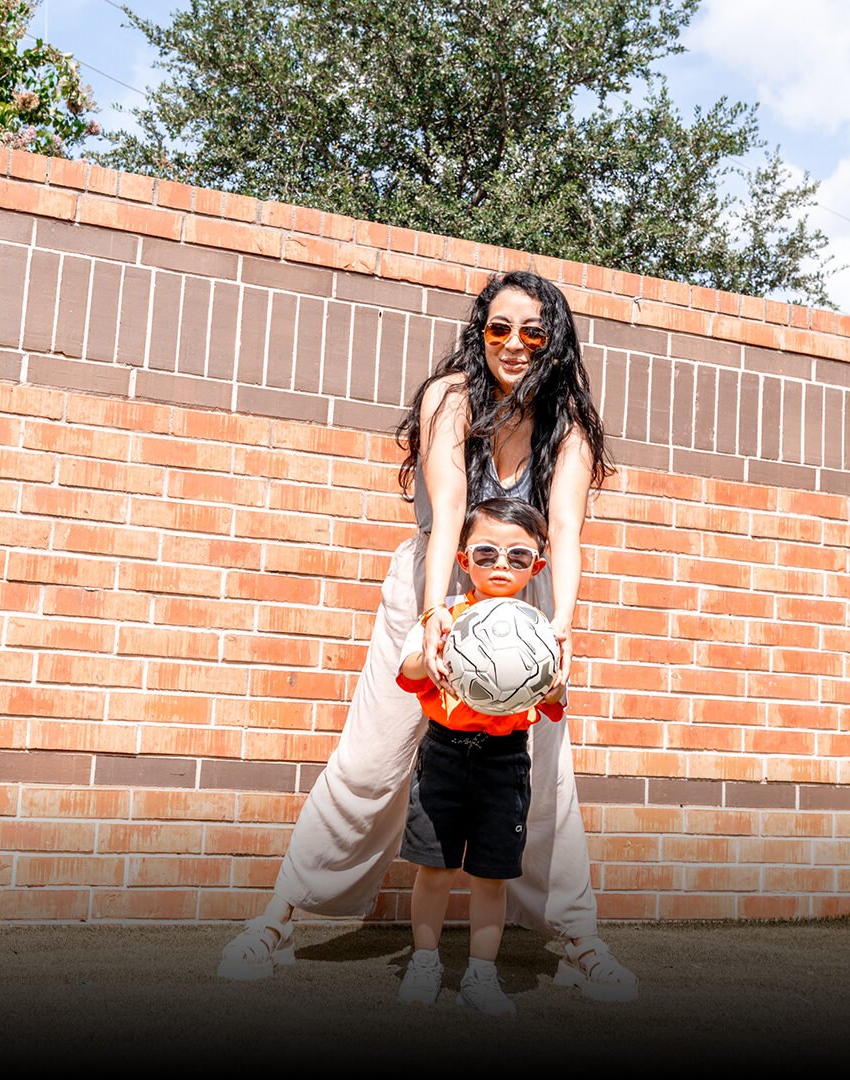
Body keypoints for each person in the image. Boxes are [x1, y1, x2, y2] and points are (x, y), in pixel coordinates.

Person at [218, 270, 638, 1002]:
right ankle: (277, 919)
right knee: (373, 760)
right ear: (482, 333)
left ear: (555, 340)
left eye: (533, 331)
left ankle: (577, 940)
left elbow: (566, 530)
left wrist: (561, 627)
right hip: (434, 586)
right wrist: (433, 614)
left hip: (520, 603)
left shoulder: (566, 419)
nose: (514, 344)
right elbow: (446, 513)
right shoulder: (450, 396)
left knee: (540, 779)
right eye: (499, 328)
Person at [395, 497, 565, 1016]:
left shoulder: (540, 631)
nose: (500, 566)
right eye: (486, 553)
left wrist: (555, 684)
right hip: (445, 754)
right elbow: (407, 672)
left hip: (505, 761)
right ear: (464, 560)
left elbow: (555, 705)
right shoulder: (442, 617)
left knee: (492, 876)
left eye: (518, 558)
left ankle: (480, 975)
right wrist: (432, 653)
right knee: (437, 869)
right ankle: (425, 962)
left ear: (536, 567)